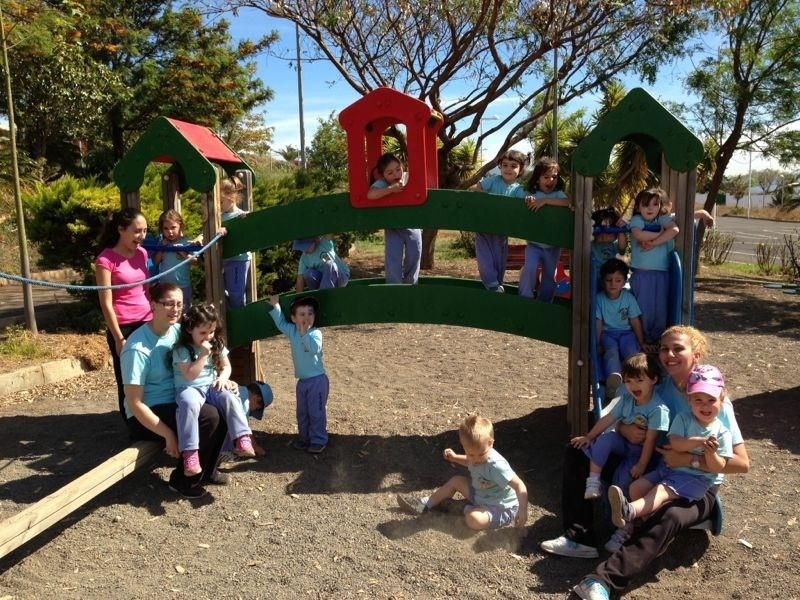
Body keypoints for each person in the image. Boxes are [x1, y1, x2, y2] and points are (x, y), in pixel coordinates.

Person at [556, 326, 749, 600]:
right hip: (653, 462)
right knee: (579, 451)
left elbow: (742, 463)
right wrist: (623, 430)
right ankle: (580, 538)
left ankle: (602, 581)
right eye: (664, 348)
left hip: (699, 481)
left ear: (696, 354)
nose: (669, 354)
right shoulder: (659, 381)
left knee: (668, 515)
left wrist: (687, 459)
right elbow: (621, 411)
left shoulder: (713, 400)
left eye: (677, 349)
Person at [121, 283, 229, 498]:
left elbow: (209, 356)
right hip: (147, 413)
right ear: (153, 305)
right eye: (169, 303)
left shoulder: (179, 331)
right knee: (208, 417)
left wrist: (222, 377)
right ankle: (182, 481)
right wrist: (168, 434)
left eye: (180, 304)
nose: (176, 309)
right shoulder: (137, 348)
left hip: (180, 398)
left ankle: (206, 470)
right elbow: (135, 402)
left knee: (223, 404)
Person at [607, 364, 732, 529]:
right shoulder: (683, 419)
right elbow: (676, 444)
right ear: (690, 401)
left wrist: (711, 454)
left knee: (660, 491)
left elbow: (719, 466)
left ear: (721, 401)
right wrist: (698, 441)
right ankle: (643, 525)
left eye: (711, 400)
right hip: (668, 469)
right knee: (636, 488)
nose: (705, 406)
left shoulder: (721, 432)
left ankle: (628, 511)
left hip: (695, 479)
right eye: (698, 400)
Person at [570, 353, 668, 551]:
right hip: (624, 443)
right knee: (604, 440)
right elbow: (607, 420)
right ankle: (593, 481)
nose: (634, 386)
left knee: (622, 481)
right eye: (629, 381)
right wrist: (588, 436)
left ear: (654, 379)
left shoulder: (658, 408)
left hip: (641, 453)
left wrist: (641, 464)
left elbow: (650, 440)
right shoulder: (626, 400)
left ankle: (625, 527)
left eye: (640, 380)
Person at [395, 414, 528, 531]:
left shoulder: (497, 466)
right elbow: (469, 461)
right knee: (456, 481)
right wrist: (454, 458)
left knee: (473, 520)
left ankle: (460, 507)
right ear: (464, 447)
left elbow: (519, 485)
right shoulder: (475, 458)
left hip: (500, 507)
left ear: (491, 443)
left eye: (481, 454)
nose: (475, 460)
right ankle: (424, 504)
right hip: (479, 495)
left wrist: (522, 510)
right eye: (470, 454)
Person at [172, 303, 255, 477]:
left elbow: (226, 366)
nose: (208, 337)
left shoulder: (216, 344)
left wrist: (223, 378)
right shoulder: (182, 350)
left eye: (211, 332)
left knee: (230, 398)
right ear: (189, 329)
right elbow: (189, 375)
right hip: (189, 388)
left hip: (211, 385)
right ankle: (190, 454)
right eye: (203, 333)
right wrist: (202, 355)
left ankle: (242, 438)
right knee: (189, 405)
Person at [96, 208, 153, 421]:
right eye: (137, 231)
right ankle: (132, 424)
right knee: (128, 378)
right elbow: (106, 303)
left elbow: (146, 290)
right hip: (124, 326)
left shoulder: (143, 253)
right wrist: (119, 337)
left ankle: (154, 420)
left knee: (152, 375)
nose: (142, 236)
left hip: (147, 322)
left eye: (145, 231)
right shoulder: (106, 259)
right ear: (121, 230)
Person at [267, 294, 329, 454]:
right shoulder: (292, 331)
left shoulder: (316, 333)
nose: (306, 317)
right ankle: (304, 438)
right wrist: (276, 306)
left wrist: (304, 333)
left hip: (317, 381)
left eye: (310, 313)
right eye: (302, 314)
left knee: (316, 412)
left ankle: (318, 440)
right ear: (294, 318)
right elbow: (280, 323)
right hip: (302, 381)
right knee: (302, 412)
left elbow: (314, 349)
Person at [470, 149, 528, 292]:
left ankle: (497, 284)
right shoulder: (494, 180)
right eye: (505, 165)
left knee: (499, 258)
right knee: (484, 258)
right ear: (500, 166)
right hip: (484, 227)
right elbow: (478, 187)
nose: (508, 169)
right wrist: (482, 196)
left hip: (502, 230)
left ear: (520, 170)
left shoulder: (518, 189)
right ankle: (491, 283)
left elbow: (524, 202)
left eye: (513, 166)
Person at [628, 188, 679, 346]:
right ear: (638, 207)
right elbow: (638, 234)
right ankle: (641, 339)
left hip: (662, 273)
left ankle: (657, 341)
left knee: (660, 309)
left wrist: (654, 243)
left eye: (655, 204)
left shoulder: (662, 219)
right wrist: (661, 234)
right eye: (646, 205)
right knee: (643, 307)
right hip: (642, 274)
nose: (650, 208)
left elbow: (674, 230)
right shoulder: (638, 219)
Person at [519, 156, 570, 302]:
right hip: (534, 244)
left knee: (549, 274)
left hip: (552, 245)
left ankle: (546, 301)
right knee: (530, 268)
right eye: (546, 177)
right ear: (537, 178)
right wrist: (528, 200)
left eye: (554, 177)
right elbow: (524, 199)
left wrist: (546, 201)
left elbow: (568, 202)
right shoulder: (532, 193)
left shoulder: (557, 194)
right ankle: (525, 298)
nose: (550, 181)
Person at [366, 153, 421, 284]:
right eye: (390, 173)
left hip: (412, 225)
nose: (396, 174)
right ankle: (394, 288)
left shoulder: (408, 177)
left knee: (415, 254)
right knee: (393, 259)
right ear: (383, 175)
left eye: (398, 169)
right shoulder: (383, 183)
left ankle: (410, 286)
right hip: (393, 227)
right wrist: (390, 189)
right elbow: (370, 195)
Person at [595, 258, 646, 397]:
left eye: (618, 280)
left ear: (624, 282)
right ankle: (613, 379)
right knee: (611, 351)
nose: (613, 284)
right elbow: (598, 323)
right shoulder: (599, 299)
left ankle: (635, 378)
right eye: (609, 280)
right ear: (603, 281)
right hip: (608, 334)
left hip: (626, 333)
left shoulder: (628, 298)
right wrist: (597, 343)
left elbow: (635, 321)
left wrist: (641, 342)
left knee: (631, 353)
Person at [151, 209, 194, 311]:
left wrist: (183, 253)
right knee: (165, 313)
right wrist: (161, 249)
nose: (170, 232)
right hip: (165, 287)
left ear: (181, 226)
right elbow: (155, 262)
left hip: (183, 287)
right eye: (166, 229)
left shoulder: (187, 242)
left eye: (173, 227)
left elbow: (195, 262)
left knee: (184, 314)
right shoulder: (162, 243)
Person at [220, 175, 251, 308]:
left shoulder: (241, 215)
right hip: (224, 260)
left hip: (239, 260)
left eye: (221, 202)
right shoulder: (219, 216)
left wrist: (247, 220)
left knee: (236, 293)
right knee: (222, 292)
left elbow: (250, 231)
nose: (218, 206)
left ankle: (240, 318)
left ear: (231, 198)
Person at [590, 207, 627, 288]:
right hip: (592, 278)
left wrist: (621, 230)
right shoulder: (590, 245)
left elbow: (622, 249)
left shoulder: (613, 245)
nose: (603, 236)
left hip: (609, 280)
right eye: (600, 232)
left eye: (609, 232)